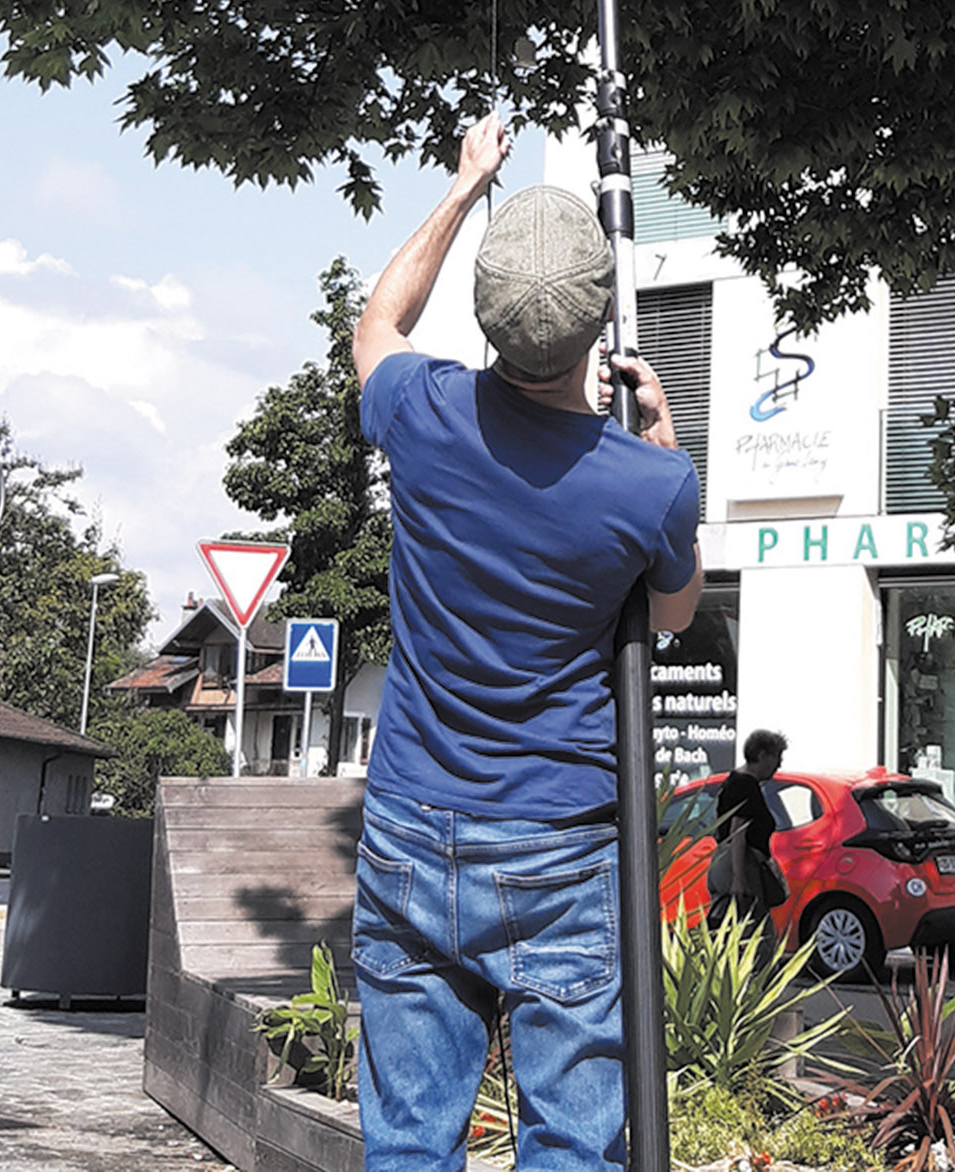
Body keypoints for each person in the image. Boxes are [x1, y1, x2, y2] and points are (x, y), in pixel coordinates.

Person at [349, 112, 704, 1172]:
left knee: (409, 1145)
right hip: (559, 841)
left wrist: (465, 185)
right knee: (567, 1145)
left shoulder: (420, 410)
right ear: (597, 325)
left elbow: (380, 317)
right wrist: (662, 439)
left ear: (486, 317)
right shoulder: (650, 486)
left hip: (413, 821)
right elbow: (674, 617)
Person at [706, 728, 788, 933]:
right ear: (762, 755)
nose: (779, 765)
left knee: (733, 928)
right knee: (756, 933)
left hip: (725, 863)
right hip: (743, 864)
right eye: (777, 757)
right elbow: (738, 832)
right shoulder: (745, 786)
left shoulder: (733, 782)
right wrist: (738, 877)